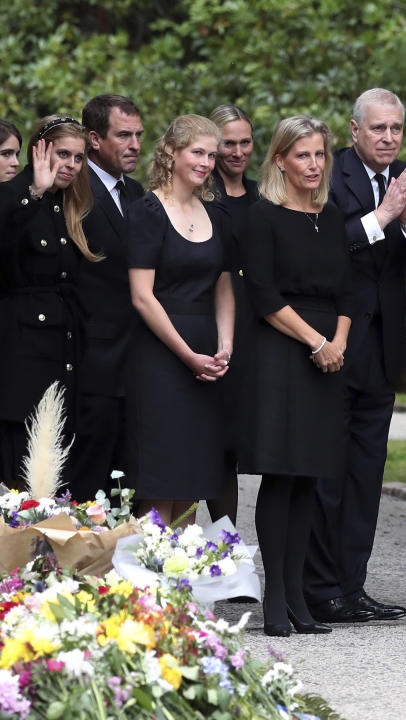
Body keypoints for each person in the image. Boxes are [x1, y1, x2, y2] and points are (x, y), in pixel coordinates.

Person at [303, 88, 406, 624]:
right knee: (327, 475)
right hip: (331, 345)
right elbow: (320, 248)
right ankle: (318, 588)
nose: (389, 138)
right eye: (378, 129)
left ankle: (352, 587)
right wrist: (381, 216)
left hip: (383, 351)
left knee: (366, 476)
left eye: (396, 129)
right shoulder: (326, 172)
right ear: (354, 130)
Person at [238, 115, 350, 637]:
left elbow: (350, 291)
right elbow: (263, 296)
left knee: (309, 477)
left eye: (320, 155)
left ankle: (301, 597)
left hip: (329, 355)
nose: (313, 164)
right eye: (302, 154)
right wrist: (317, 341)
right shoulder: (263, 217)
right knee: (281, 476)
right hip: (284, 352)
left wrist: (339, 343)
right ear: (280, 159)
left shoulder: (333, 216)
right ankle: (276, 598)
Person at [126, 115, 234, 527]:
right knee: (160, 472)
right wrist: (188, 355)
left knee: (194, 470)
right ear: (171, 152)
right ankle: (147, 581)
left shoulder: (217, 216)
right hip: (160, 354)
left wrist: (225, 345)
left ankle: (182, 577)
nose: (206, 162)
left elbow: (223, 285)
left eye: (211, 154)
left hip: (207, 354)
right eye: (197, 152)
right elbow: (142, 296)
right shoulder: (147, 212)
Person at [0, 116, 98, 486]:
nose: (71, 165)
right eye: (63, 154)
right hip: (22, 356)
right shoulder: (14, 193)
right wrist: (33, 194)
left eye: (78, 157)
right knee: (21, 481)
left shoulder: (67, 205)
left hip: (61, 353)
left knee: (52, 478)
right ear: (39, 150)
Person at [67, 94, 145, 502]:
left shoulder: (136, 192)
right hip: (91, 361)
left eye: (138, 135)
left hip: (134, 360)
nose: (134, 144)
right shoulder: (73, 190)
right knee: (88, 480)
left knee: (125, 483)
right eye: (124, 135)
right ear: (94, 139)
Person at [208, 104, 259, 527]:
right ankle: (222, 544)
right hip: (213, 324)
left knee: (250, 440)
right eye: (229, 143)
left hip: (261, 327)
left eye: (245, 142)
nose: (237, 151)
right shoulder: (202, 196)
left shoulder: (265, 196)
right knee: (216, 442)